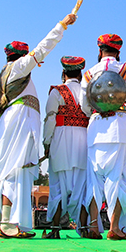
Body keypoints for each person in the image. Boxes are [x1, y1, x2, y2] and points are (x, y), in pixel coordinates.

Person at [0, 13, 77, 239]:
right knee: (15, 170)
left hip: (7, 125)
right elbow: (42, 48)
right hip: (18, 123)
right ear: (20, 56)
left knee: (19, 171)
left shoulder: (0, 77)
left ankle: (12, 222)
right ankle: (7, 224)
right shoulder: (18, 68)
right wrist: (62, 25)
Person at [80, 34, 126, 240]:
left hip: (96, 128)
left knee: (94, 180)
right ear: (118, 51)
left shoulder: (89, 73)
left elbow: (84, 106)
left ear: (100, 51)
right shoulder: (125, 69)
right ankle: (114, 228)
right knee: (118, 178)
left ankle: (92, 226)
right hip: (120, 127)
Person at [42, 56, 89, 239]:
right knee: (82, 185)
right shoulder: (88, 92)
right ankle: (83, 228)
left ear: (64, 73)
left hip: (61, 138)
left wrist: (47, 143)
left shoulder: (57, 92)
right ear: (81, 73)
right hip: (83, 140)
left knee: (58, 186)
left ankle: (55, 229)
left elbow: (50, 118)